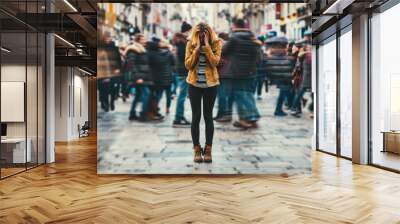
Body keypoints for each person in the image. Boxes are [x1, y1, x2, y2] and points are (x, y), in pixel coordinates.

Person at [185, 23, 221, 163]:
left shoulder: (216, 43)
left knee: (208, 117)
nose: (201, 37)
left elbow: (215, 62)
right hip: (194, 84)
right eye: (199, 34)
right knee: (195, 117)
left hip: (211, 85)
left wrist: (206, 47)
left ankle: (208, 149)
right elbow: (188, 65)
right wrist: (197, 49)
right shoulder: (190, 44)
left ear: (209, 34)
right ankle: (196, 149)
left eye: (204, 35)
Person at [222, 18, 261, 128]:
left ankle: (246, 118)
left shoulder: (234, 38)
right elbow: (258, 57)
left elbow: (223, 51)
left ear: (234, 26)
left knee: (239, 94)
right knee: (248, 93)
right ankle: (252, 118)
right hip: (250, 71)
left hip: (237, 71)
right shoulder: (253, 38)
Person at [125, 34, 159, 121]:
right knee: (146, 94)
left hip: (143, 76)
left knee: (138, 95)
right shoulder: (133, 50)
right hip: (139, 77)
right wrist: (137, 77)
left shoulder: (142, 49)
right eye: (143, 39)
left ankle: (132, 114)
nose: (144, 41)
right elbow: (132, 65)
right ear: (138, 40)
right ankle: (143, 115)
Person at [265, 36, 297, 116]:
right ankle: (278, 110)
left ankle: (283, 108)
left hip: (280, 77)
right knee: (283, 94)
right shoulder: (282, 53)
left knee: (284, 94)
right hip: (284, 77)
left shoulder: (272, 53)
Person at [147, 37, 175, 117]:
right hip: (168, 76)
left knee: (158, 95)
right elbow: (173, 63)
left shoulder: (157, 53)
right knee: (168, 95)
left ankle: (155, 108)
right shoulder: (169, 54)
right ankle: (167, 108)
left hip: (160, 77)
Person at [172, 21, 193, 127]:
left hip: (184, 71)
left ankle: (180, 116)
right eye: (190, 31)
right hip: (184, 71)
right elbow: (183, 58)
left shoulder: (183, 42)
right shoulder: (182, 43)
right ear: (187, 31)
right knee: (182, 96)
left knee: (183, 95)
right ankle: (178, 118)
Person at [214, 32, 233, 122]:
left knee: (222, 95)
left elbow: (219, 61)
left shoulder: (221, 46)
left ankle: (222, 114)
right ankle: (225, 114)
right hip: (230, 73)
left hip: (223, 73)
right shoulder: (231, 45)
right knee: (227, 95)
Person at [291, 42, 312, 117]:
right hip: (304, 78)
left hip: (303, 77)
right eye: (309, 48)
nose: (310, 50)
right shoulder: (305, 56)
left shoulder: (303, 55)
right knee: (299, 94)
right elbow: (300, 67)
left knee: (300, 94)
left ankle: (297, 109)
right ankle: (295, 109)